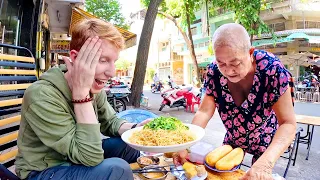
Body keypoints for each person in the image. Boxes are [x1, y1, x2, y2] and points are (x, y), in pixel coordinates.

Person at [15, 19, 150, 180]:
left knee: (129, 145)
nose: (112, 72)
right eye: (103, 60)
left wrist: (136, 129)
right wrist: (81, 95)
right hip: (43, 170)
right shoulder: (41, 95)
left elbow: (110, 122)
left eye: (114, 61)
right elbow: (90, 157)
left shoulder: (94, 87)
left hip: (75, 157)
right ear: (76, 58)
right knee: (117, 170)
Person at [173, 23, 297, 180]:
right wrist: (185, 144)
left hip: (265, 137)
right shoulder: (214, 72)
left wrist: (265, 164)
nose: (228, 70)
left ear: (250, 53)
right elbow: (204, 112)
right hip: (233, 137)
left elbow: (288, 123)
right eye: (221, 63)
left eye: (235, 63)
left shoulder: (271, 69)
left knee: (257, 175)